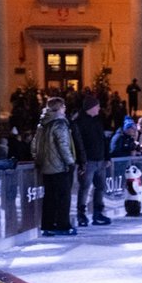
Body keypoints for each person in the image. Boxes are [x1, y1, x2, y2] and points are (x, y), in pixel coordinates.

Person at [33, 97, 78, 237]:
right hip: (59, 167)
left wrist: (38, 159)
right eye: (64, 107)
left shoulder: (42, 124)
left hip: (46, 167)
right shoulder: (59, 124)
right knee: (63, 197)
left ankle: (47, 225)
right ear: (59, 108)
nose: (65, 110)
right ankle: (63, 225)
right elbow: (63, 146)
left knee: (49, 198)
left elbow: (34, 145)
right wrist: (70, 162)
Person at [71, 93, 112, 227]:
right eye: (97, 106)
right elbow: (78, 143)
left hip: (100, 160)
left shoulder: (97, 121)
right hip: (87, 161)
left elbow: (103, 140)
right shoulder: (79, 123)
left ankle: (97, 213)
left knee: (100, 187)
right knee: (85, 187)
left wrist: (107, 157)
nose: (99, 108)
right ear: (91, 107)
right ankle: (81, 214)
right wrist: (82, 161)